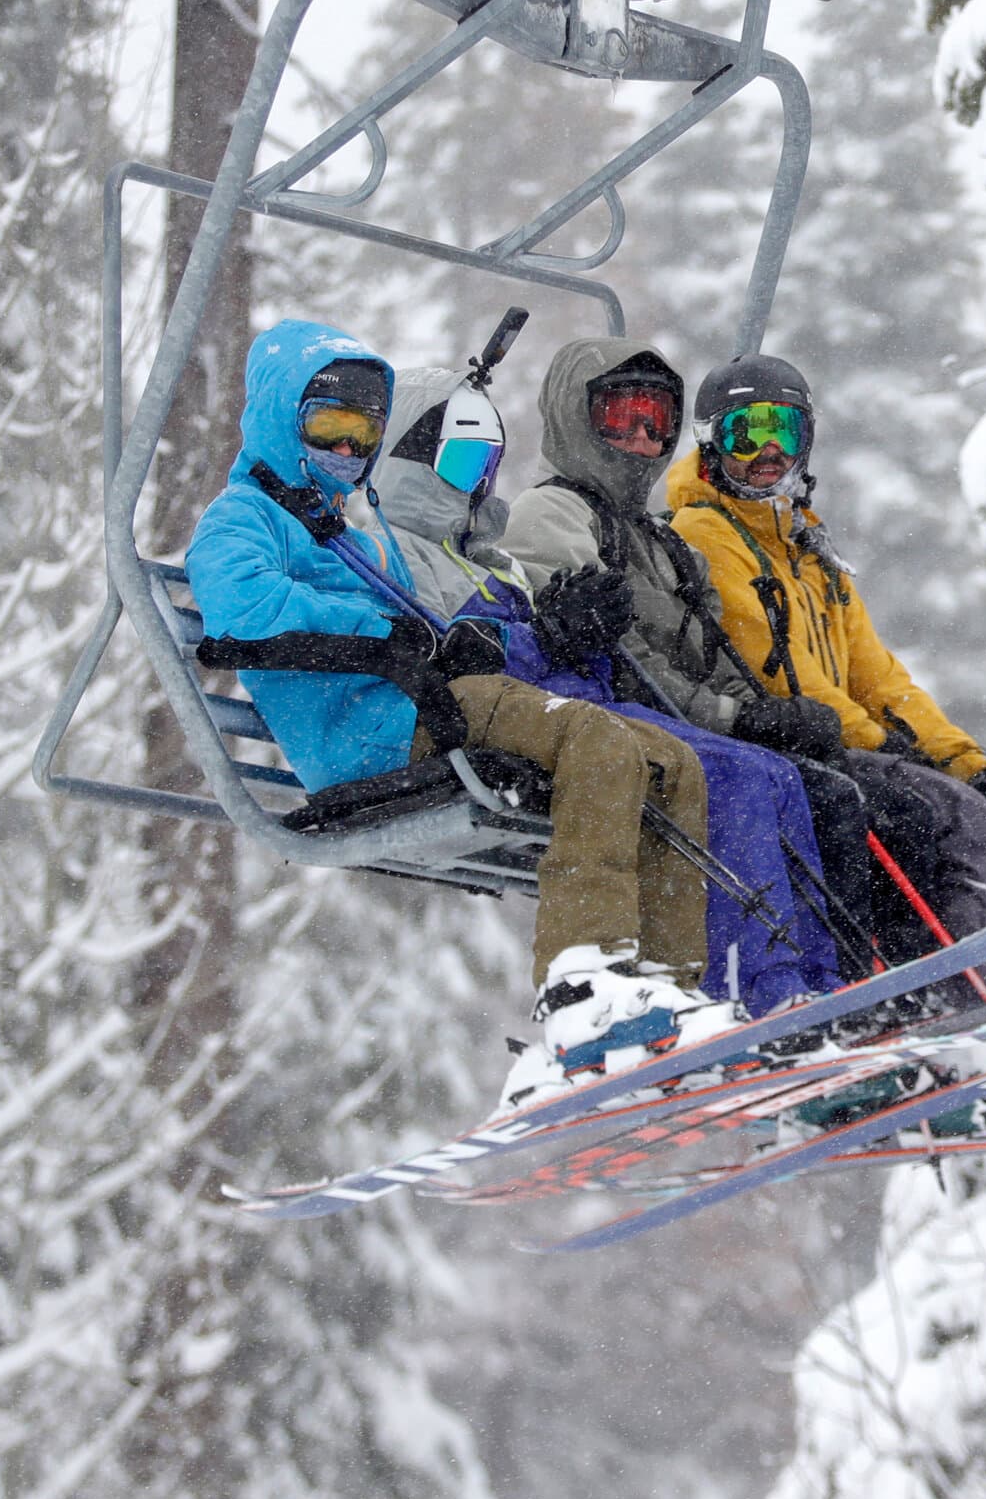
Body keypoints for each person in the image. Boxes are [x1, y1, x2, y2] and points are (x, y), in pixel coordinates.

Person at [183, 320, 716, 1072]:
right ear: (279, 420)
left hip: (422, 703)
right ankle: (581, 987)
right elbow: (247, 612)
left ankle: (663, 992)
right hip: (373, 731)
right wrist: (395, 634)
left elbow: (433, 614)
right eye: (327, 427)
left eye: (362, 434)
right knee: (596, 741)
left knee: (668, 759)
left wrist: (483, 637)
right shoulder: (243, 520)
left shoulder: (351, 531)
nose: (345, 450)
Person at [371, 362, 842, 1035]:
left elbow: (547, 646)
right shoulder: (402, 546)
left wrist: (564, 631)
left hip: (573, 705)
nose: (644, 438)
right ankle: (757, 992)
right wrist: (551, 636)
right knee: (729, 774)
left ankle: (810, 987)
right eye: (459, 457)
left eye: (486, 459)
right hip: (508, 723)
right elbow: (465, 654)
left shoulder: (502, 553)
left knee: (778, 775)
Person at [666, 352, 986, 995]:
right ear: (713, 444)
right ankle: (944, 1003)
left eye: (787, 432)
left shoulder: (805, 544)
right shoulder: (703, 532)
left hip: (844, 740)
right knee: (955, 817)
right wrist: (896, 752)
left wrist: (970, 763)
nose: (770, 451)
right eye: (749, 433)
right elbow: (787, 681)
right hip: (787, 742)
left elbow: (881, 680)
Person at [501, 338, 892, 968]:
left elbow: (712, 655)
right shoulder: (553, 513)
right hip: (618, 721)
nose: (640, 438)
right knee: (764, 787)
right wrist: (736, 720)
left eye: (656, 420)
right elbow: (618, 662)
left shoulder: (662, 543)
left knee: (827, 791)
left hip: (677, 720)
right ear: (577, 418)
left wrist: (767, 714)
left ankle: (837, 980)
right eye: (619, 417)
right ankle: (764, 982)